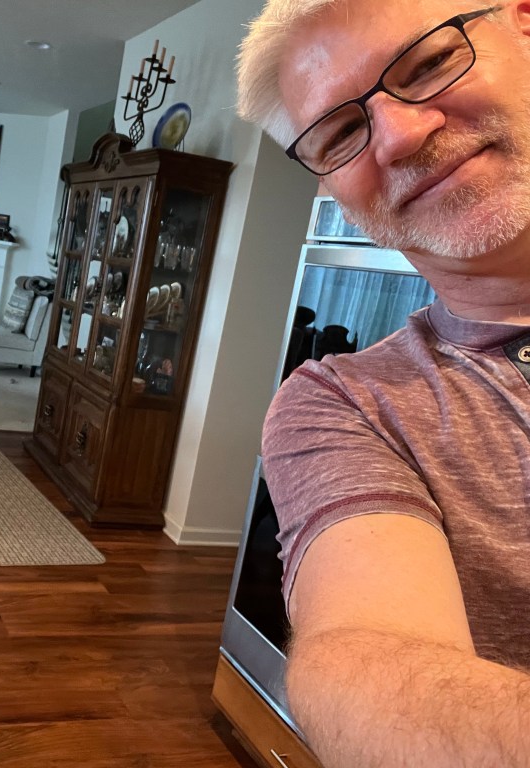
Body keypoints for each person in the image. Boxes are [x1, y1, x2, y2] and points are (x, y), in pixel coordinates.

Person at [237, 1, 530, 765]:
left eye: (429, 62)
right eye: (339, 134)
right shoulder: (345, 405)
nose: (399, 135)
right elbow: (359, 662)